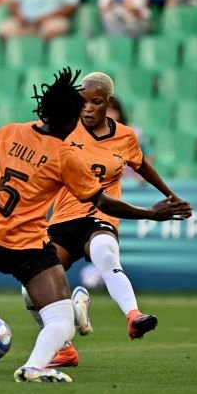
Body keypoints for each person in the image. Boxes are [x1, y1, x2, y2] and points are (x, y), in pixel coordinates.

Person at [0, 67, 191, 383]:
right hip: (29, 240)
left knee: (75, 269)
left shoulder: (13, 131)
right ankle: (38, 360)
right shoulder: (64, 154)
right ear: (71, 119)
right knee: (61, 320)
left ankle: (100, 320)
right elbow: (105, 202)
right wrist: (153, 213)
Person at [43, 72, 186, 369]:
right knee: (33, 286)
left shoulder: (125, 136)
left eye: (96, 102)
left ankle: (134, 316)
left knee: (104, 253)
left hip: (101, 215)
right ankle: (66, 347)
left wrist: (170, 195)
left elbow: (142, 164)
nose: (88, 108)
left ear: (108, 102)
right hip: (64, 217)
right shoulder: (65, 131)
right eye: (83, 102)